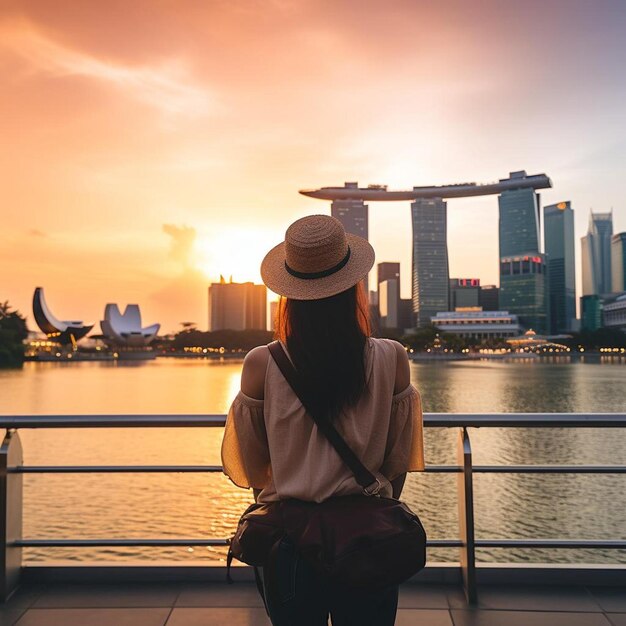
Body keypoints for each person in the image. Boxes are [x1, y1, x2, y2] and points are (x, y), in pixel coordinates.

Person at [221, 214, 425, 626]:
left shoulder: (261, 363)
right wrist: (375, 502)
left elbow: (254, 468)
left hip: (289, 539)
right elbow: (397, 459)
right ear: (354, 288)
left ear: (288, 295)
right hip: (368, 537)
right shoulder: (392, 358)